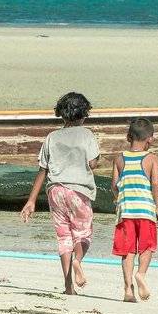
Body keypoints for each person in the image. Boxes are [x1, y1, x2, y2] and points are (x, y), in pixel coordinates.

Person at [20, 92, 101, 295]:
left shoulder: (52, 137)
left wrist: (31, 201)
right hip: (79, 191)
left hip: (55, 191)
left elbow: (42, 170)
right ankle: (78, 261)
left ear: (61, 114)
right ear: (84, 114)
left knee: (64, 237)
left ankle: (68, 287)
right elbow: (92, 163)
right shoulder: (87, 135)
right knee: (83, 233)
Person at [111, 117, 158, 303]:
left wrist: (118, 199)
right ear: (150, 139)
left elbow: (114, 185)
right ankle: (141, 274)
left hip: (125, 211)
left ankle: (128, 290)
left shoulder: (119, 159)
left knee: (127, 251)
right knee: (146, 246)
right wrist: (157, 206)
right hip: (146, 210)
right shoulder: (151, 159)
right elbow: (155, 183)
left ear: (128, 137)